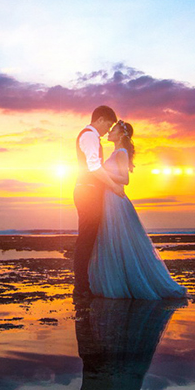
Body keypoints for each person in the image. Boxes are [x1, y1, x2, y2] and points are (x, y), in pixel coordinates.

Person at [87, 121, 186, 300]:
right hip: (109, 199)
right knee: (113, 241)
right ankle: (118, 281)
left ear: (121, 135)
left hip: (116, 200)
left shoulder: (121, 152)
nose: (109, 132)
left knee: (122, 241)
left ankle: (130, 284)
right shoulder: (116, 152)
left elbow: (125, 179)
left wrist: (102, 173)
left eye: (113, 130)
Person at [72, 105, 121, 297]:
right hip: (87, 192)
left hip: (88, 192)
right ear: (100, 119)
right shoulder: (89, 136)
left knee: (89, 239)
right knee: (85, 240)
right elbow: (93, 167)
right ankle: (81, 287)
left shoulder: (91, 136)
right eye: (108, 125)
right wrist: (113, 185)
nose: (108, 130)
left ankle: (85, 285)